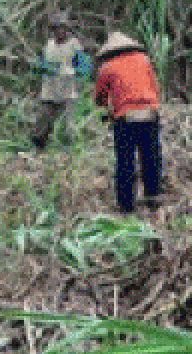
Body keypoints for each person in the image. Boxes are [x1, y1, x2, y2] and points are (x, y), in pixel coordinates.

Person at [94, 31, 162, 213]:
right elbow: (154, 87)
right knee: (151, 156)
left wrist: (107, 107)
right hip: (150, 113)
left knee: (125, 161)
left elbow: (100, 97)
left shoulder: (107, 67)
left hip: (126, 116)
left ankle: (126, 205)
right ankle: (153, 196)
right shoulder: (144, 60)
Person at [32, 13, 91, 149]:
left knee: (67, 123)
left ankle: (69, 151)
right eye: (57, 29)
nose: (60, 31)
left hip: (67, 90)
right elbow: (40, 66)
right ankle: (39, 148)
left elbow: (85, 66)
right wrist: (45, 68)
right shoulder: (49, 45)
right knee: (43, 121)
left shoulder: (74, 45)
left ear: (67, 30)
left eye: (63, 28)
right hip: (49, 89)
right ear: (53, 31)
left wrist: (74, 72)